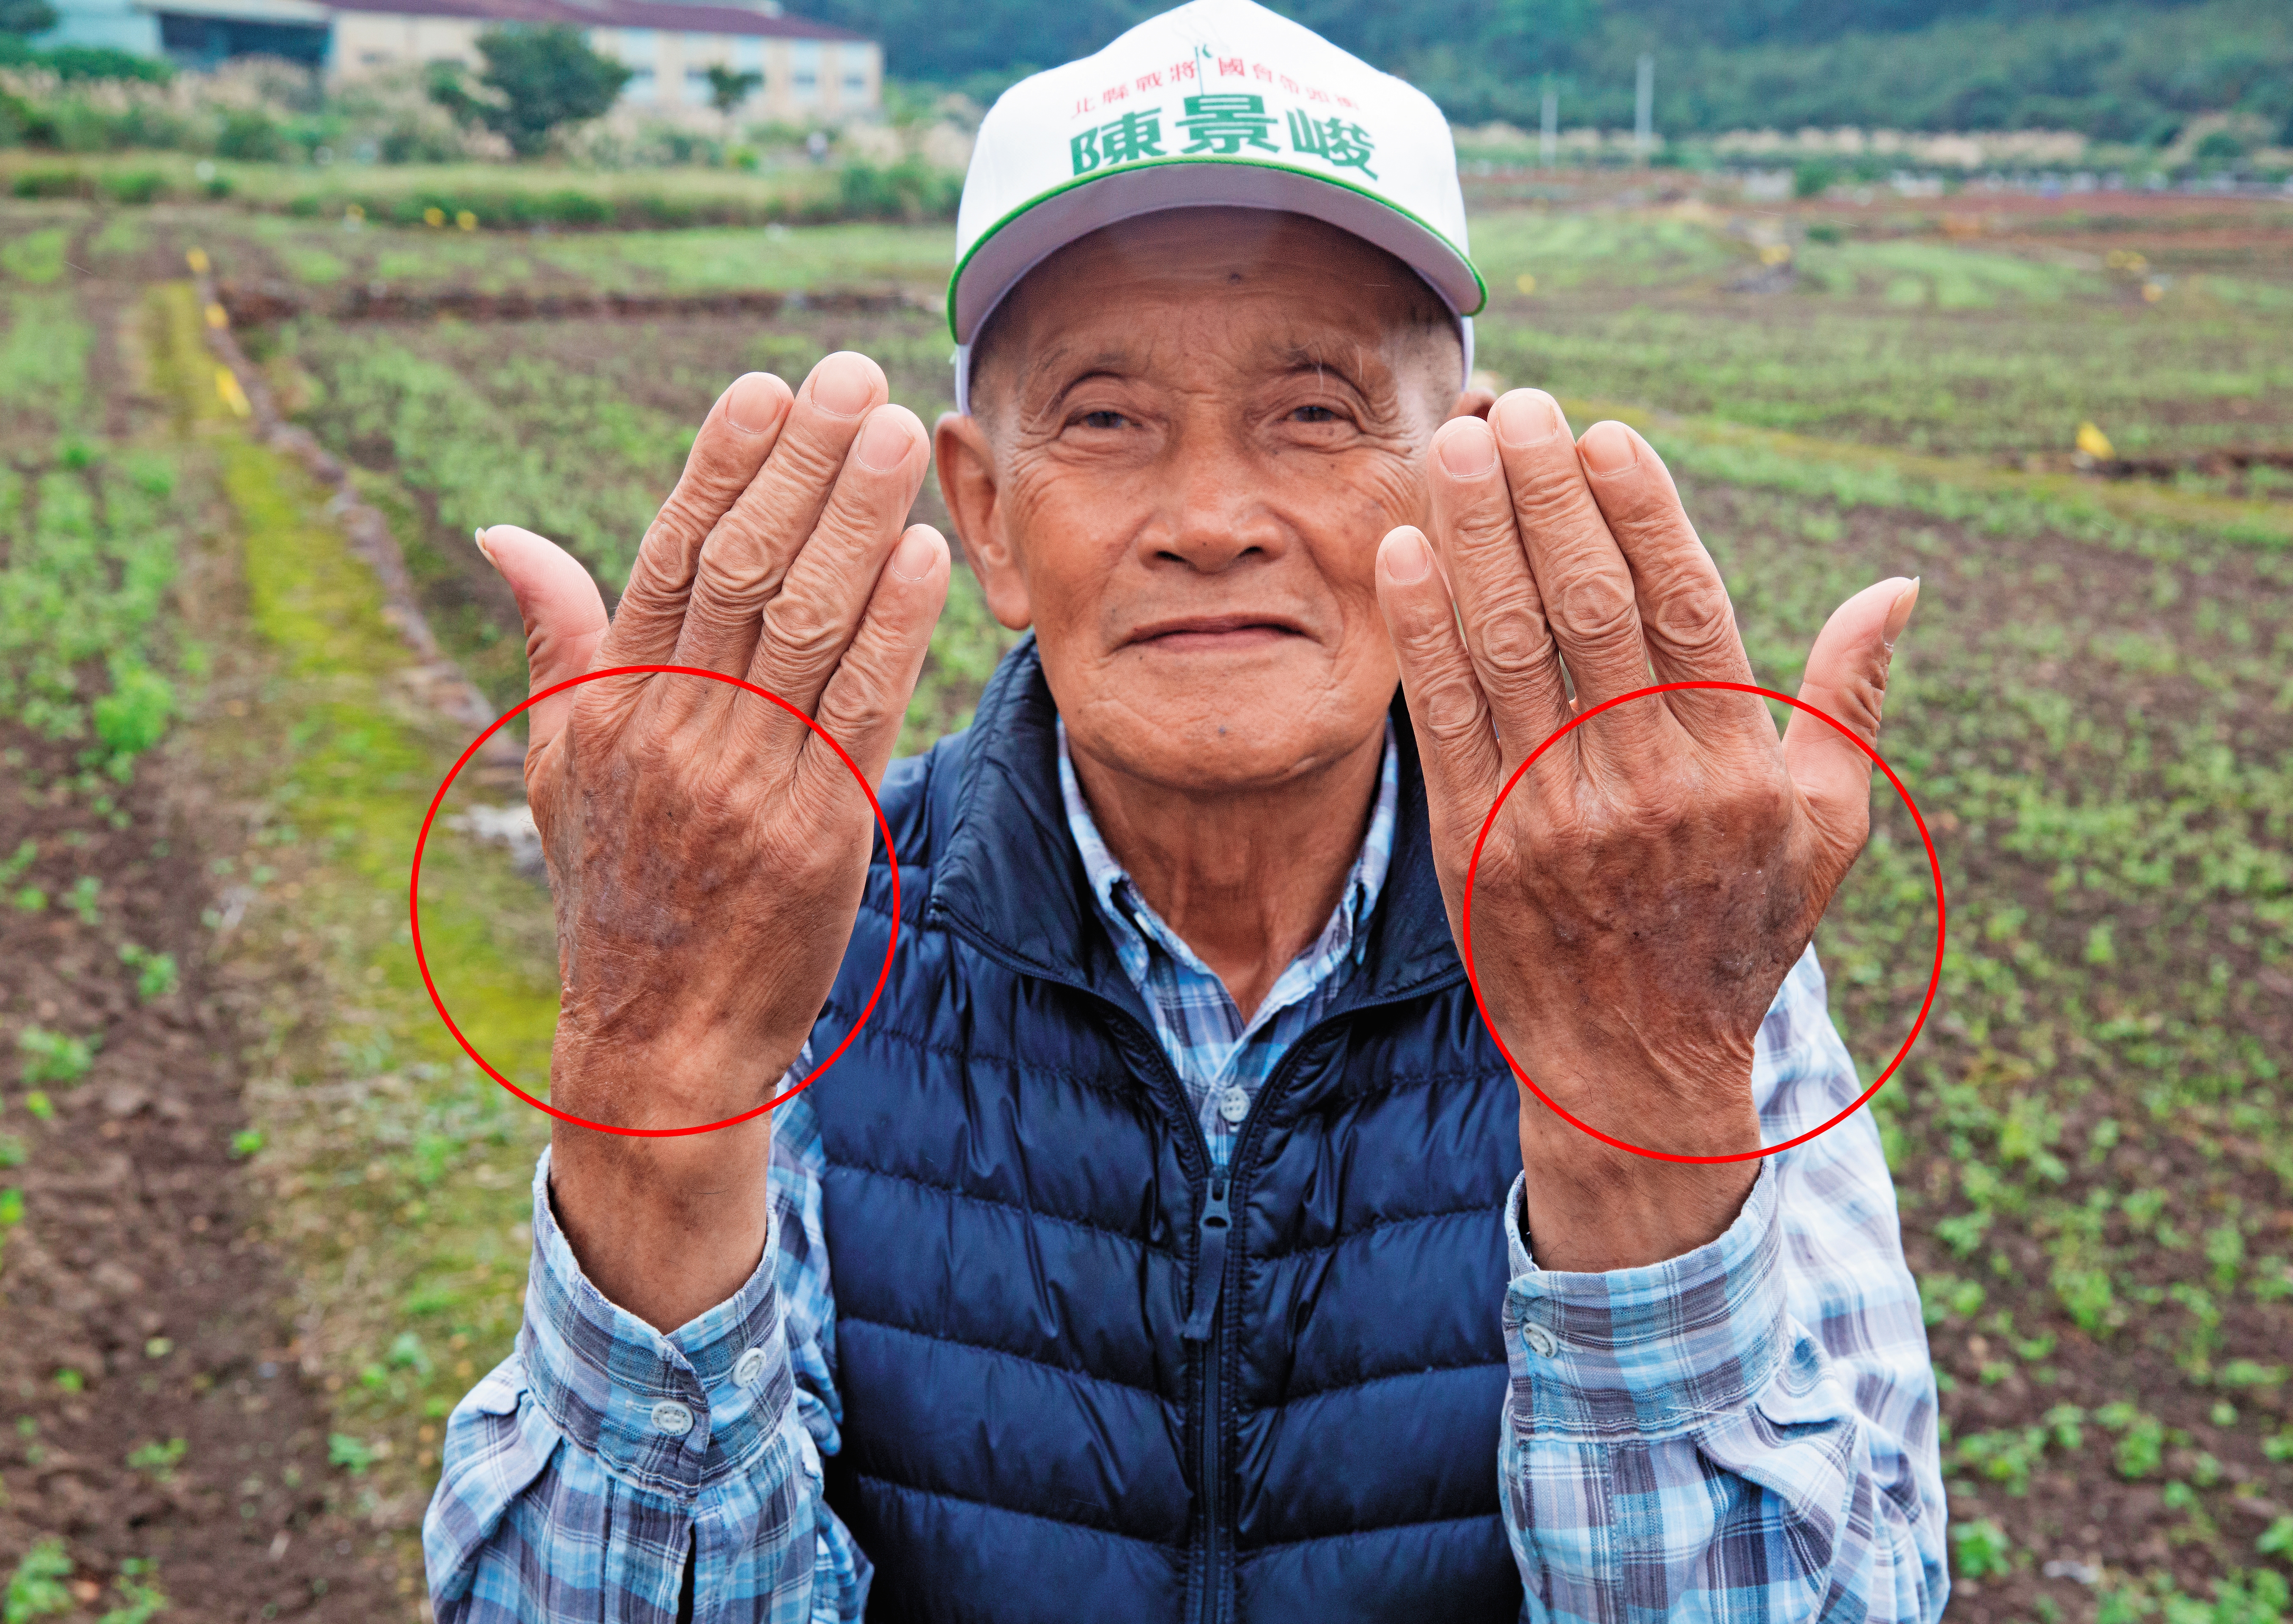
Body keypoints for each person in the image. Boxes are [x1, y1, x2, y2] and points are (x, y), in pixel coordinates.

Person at [423, 2, 1946, 1618]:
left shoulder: (1669, 952)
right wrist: (652, 1105)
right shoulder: (796, 945)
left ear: (1462, 489)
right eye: (1103, 417)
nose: (1213, 520)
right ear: (991, 514)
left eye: (1314, 411)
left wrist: (1644, 1142)